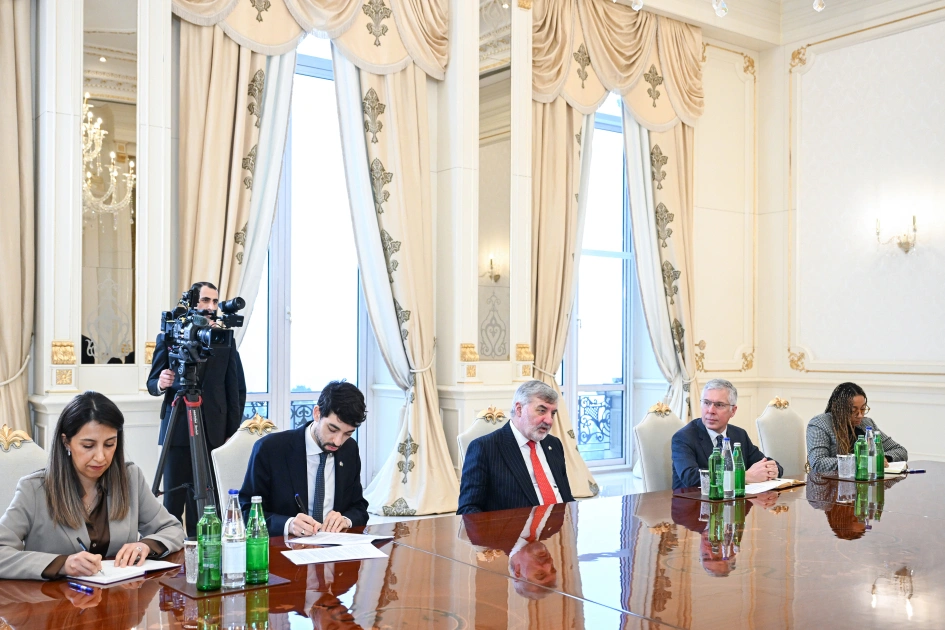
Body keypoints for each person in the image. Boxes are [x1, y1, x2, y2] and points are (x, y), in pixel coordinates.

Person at [0, 392, 184, 580]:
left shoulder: (130, 478)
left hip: (119, 595)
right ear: (66, 442)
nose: (101, 457)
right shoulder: (33, 489)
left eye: (109, 444)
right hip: (52, 596)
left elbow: (172, 529)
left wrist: (144, 545)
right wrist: (62, 564)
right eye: (88, 446)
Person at [147, 281, 246, 535]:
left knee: (205, 501)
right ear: (193, 303)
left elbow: (236, 389)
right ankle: (168, 546)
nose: (211, 307)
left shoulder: (224, 340)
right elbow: (152, 383)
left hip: (214, 432)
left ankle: (201, 547)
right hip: (177, 429)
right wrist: (161, 382)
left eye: (215, 302)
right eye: (205, 300)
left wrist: (232, 432)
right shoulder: (169, 336)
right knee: (172, 500)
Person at [240, 380, 369, 537]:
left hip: (336, 545)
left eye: (347, 434)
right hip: (284, 546)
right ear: (317, 413)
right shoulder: (270, 449)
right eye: (332, 429)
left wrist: (345, 520)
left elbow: (359, 507)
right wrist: (288, 524)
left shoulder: (349, 449)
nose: (338, 442)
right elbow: (247, 512)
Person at [457, 380, 573, 515]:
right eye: (542, 411)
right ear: (519, 409)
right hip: (515, 527)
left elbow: (566, 497)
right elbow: (468, 510)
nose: (549, 420)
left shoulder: (553, 444)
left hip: (562, 524)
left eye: (552, 413)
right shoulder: (484, 449)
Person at [671, 379, 782, 490]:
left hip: (735, 499)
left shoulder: (739, 435)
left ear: (733, 411)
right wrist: (744, 476)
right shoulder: (684, 437)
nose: (710, 410)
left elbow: (764, 462)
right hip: (693, 499)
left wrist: (772, 470)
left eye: (719, 405)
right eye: (706, 403)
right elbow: (691, 477)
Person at [806, 382, 908, 473]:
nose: (860, 415)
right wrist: (862, 462)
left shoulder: (867, 424)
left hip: (865, 483)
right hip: (830, 485)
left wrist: (883, 458)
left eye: (863, 409)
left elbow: (900, 450)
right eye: (853, 411)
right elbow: (818, 463)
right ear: (839, 409)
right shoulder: (819, 424)